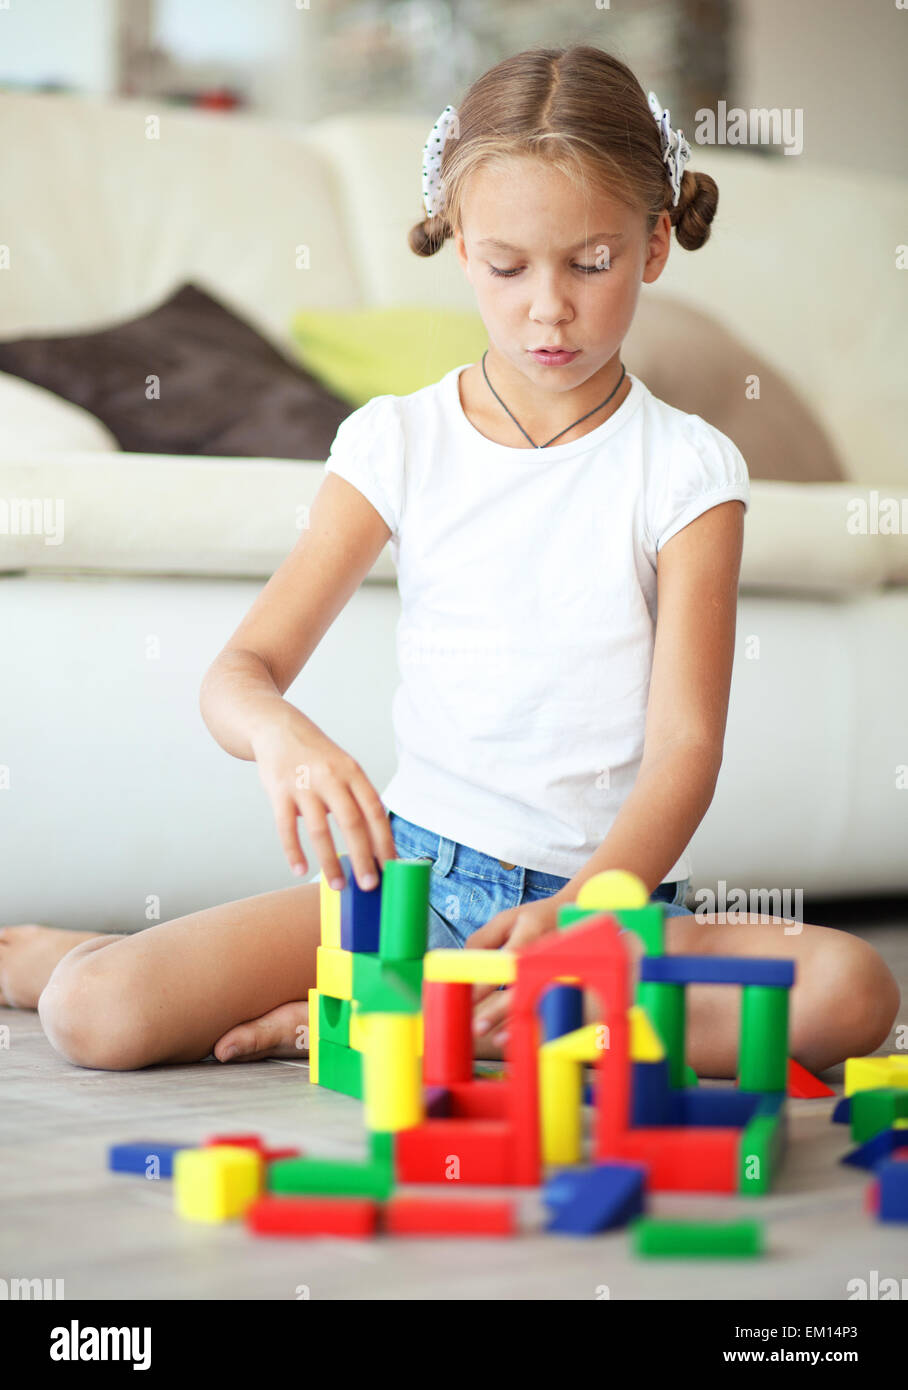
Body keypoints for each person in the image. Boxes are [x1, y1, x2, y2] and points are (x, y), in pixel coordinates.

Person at [2, 45, 898, 1078]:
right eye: (506, 267)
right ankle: (109, 961)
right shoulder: (398, 441)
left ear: (654, 245)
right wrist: (282, 738)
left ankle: (390, 1019)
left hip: (608, 912)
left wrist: (589, 911)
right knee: (93, 1013)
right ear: (457, 245)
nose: (547, 308)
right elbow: (235, 676)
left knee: (848, 992)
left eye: (589, 263)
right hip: (408, 886)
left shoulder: (690, 469)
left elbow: (685, 749)